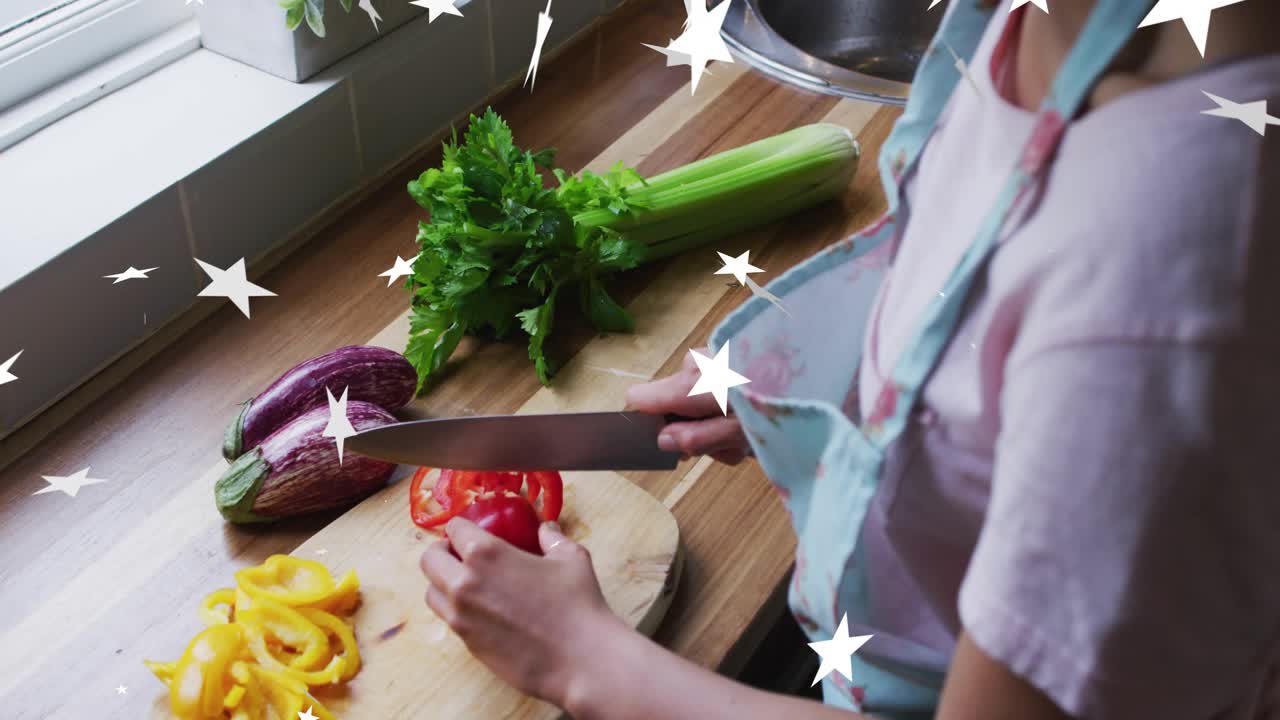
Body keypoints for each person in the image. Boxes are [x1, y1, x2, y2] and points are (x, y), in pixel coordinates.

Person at [418, 0, 1280, 717]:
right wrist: (833, 376)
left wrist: (583, 661)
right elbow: (980, 265)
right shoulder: (1026, 21)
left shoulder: (1165, 280)